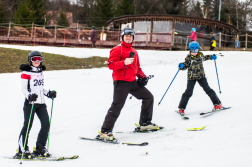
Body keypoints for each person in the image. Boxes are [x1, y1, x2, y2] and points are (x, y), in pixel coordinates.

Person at [97, 27, 159, 141]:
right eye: (126, 36)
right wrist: (123, 62)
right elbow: (110, 64)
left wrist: (143, 77)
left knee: (148, 97)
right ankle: (105, 131)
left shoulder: (134, 52)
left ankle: (145, 123)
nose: (128, 38)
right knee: (117, 105)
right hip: (121, 82)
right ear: (122, 37)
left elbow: (137, 68)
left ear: (133, 38)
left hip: (132, 82)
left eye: (130, 36)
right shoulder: (117, 49)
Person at [15, 51, 57, 159]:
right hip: (30, 103)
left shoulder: (40, 73)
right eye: (34, 59)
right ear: (30, 60)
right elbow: (24, 89)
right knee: (27, 126)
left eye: (39, 59)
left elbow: (40, 88)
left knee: (46, 124)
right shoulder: (26, 73)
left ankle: (40, 147)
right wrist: (29, 96)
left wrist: (48, 93)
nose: (37, 61)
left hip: (41, 103)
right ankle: (22, 149)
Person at [177, 41, 222, 115]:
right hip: (191, 77)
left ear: (198, 50)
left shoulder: (200, 55)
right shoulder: (188, 58)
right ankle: (181, 108)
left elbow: (205, 57)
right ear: (189, 50)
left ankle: (217, 104)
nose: (194, 52)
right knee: (188, 92)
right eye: (192, 51)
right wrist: (181, 66)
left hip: (201, 76)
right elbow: (186, 65)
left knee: (208, 89)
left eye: (196, 50)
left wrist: (211, 57)